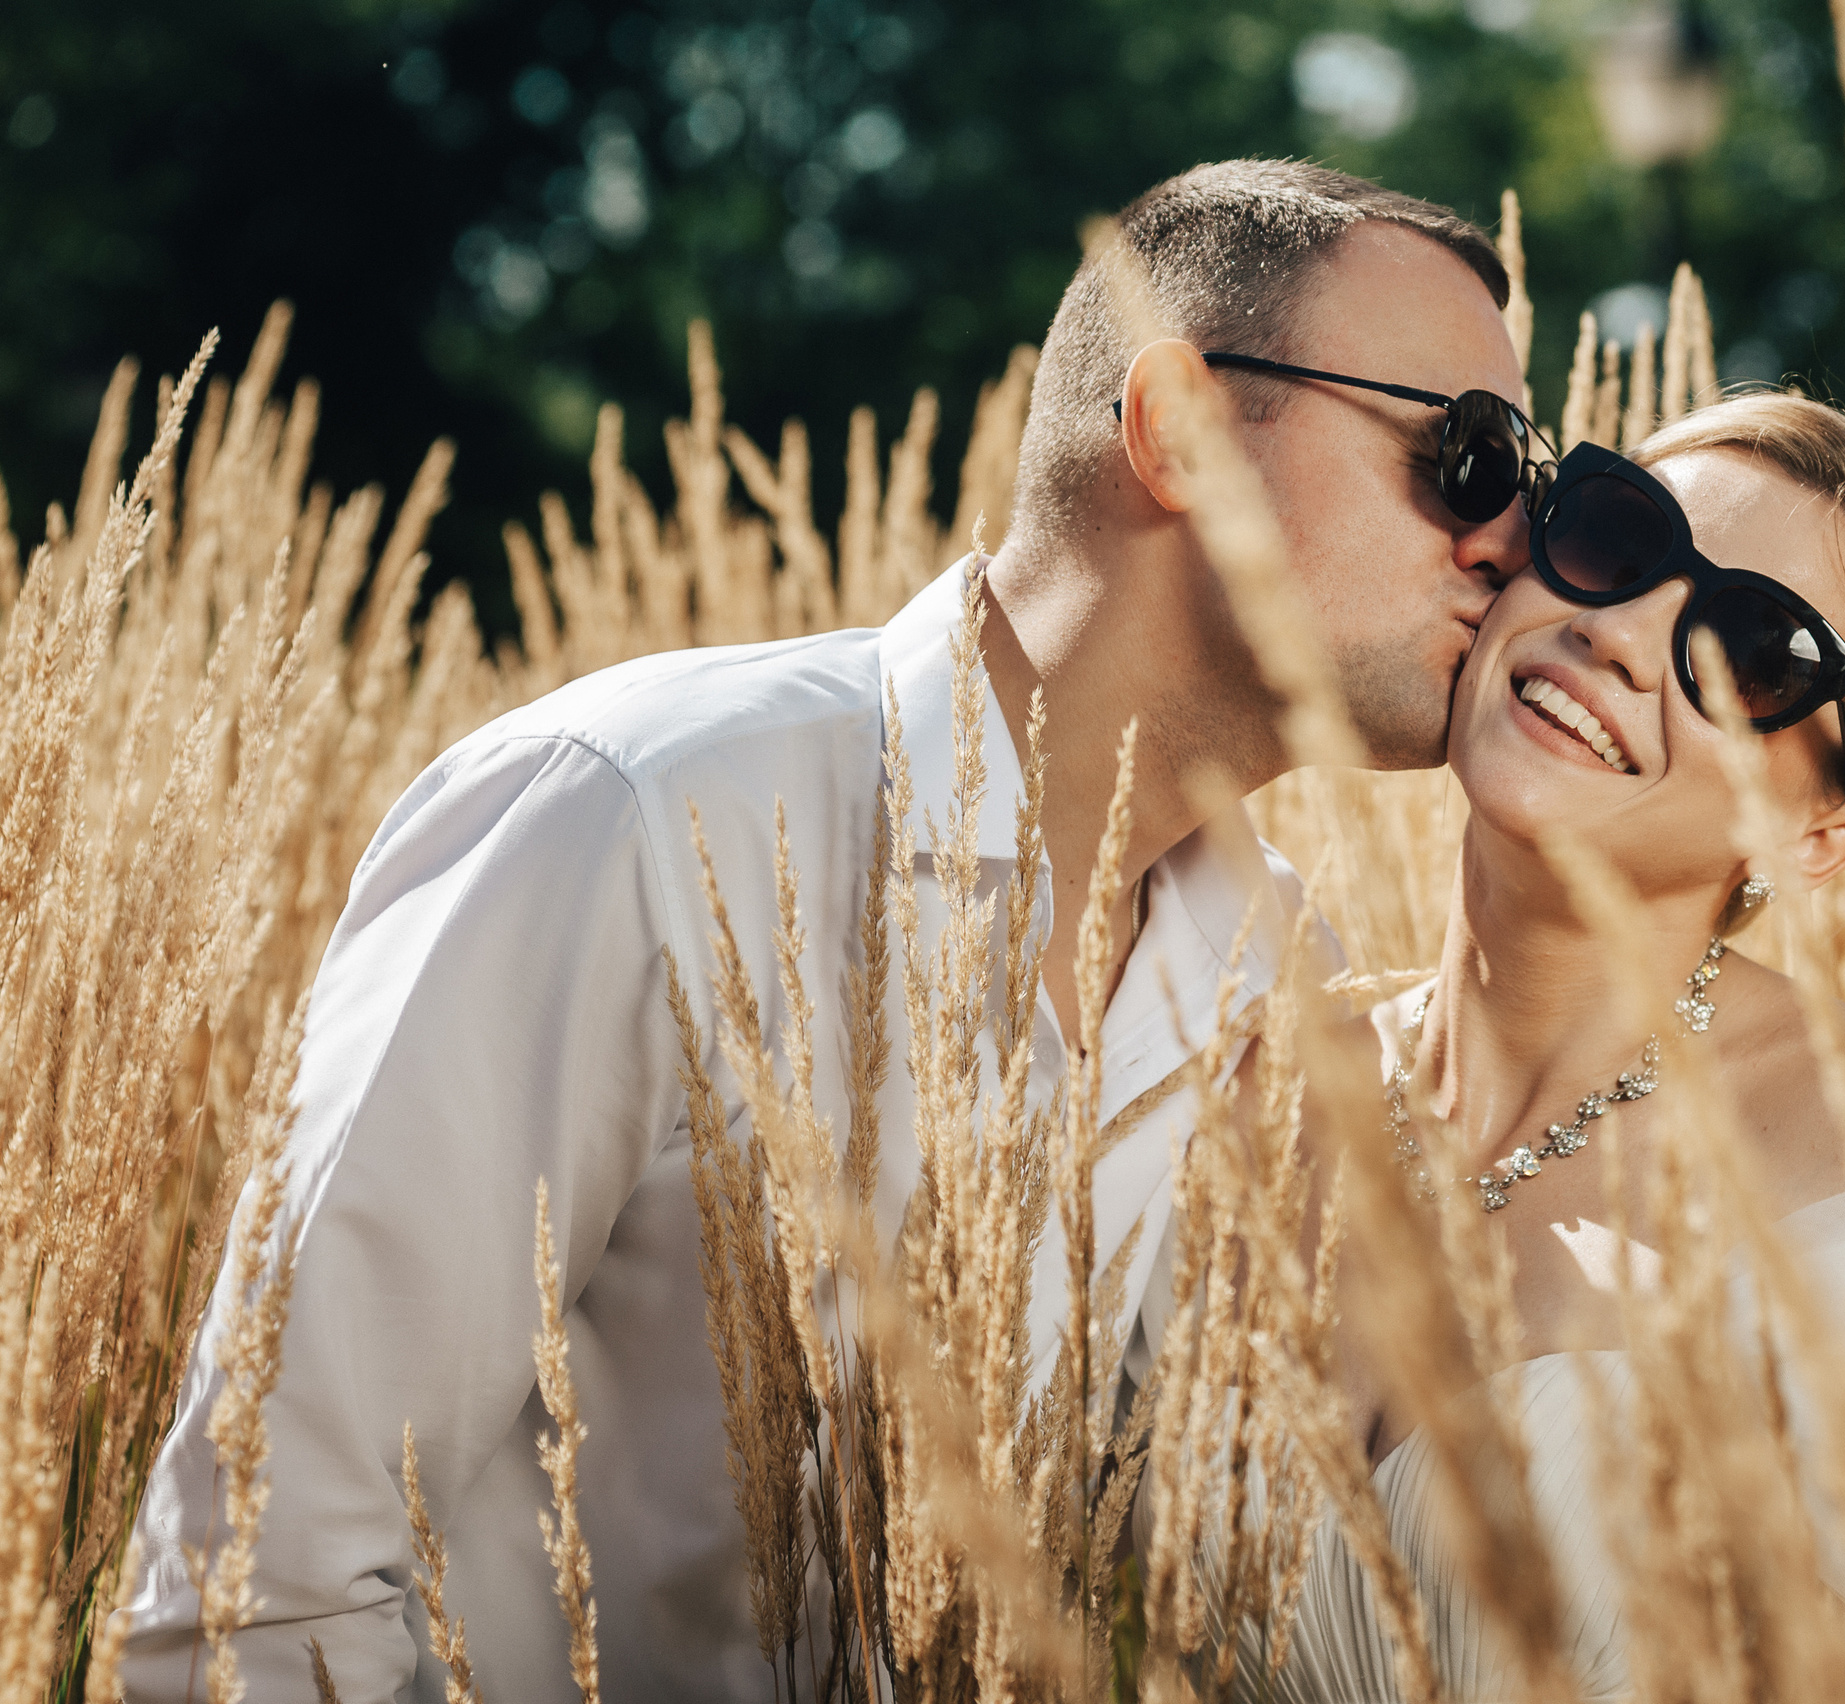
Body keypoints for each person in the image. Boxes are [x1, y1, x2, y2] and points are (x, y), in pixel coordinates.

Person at [122, 160, 1547, 1704]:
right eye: (1468, 456)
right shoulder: (644, 814)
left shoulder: (1283, 979)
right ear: (1177, 427)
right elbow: (253, 1593)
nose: (1512, 538)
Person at [1142, 390, 1845, 1700]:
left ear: (1814, 845)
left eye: (1755, 650)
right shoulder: (1238, 1076)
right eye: (1616, 536)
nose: (1625, 633)